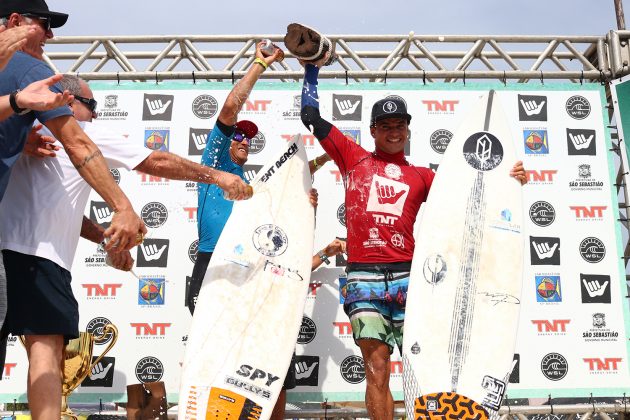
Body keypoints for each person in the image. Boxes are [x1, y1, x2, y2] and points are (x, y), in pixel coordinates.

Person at [0, 74, 252, 420]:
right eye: (92, 107)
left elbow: (53, 209)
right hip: (39, 258)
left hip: (8, 252)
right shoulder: (77, 130)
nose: (96, 116)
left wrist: (105, 237)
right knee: (48, 352)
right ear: (69, 103)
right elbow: (156, 162)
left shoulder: (22, 135)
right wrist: (218, 176)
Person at [299, 51, 527, 420]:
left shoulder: (424, 175)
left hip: (414, 279)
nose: (393, 131)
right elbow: (309, 116)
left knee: (427, 370)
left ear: (408, 129)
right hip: (363, 277)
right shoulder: (354, 157)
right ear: (372, 130)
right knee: (376, 369)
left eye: (399, 124)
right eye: (384, 125)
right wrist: (311, 69)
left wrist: (510, 180)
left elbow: (472, 201)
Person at [188, 40, 284, 313]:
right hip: (212, 261)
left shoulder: (246, 183)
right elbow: (230, 108)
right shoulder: (213, 163)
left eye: (249, 138)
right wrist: (261, 64)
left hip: (244, 263)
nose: (244, 141)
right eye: (238, 135)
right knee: (206, 350)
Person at [269, 238, 347, 420]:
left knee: (279, 384)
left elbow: (298, 270)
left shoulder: (290, 237)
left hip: (282, 327)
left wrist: (325, 253)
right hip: (255, 326)